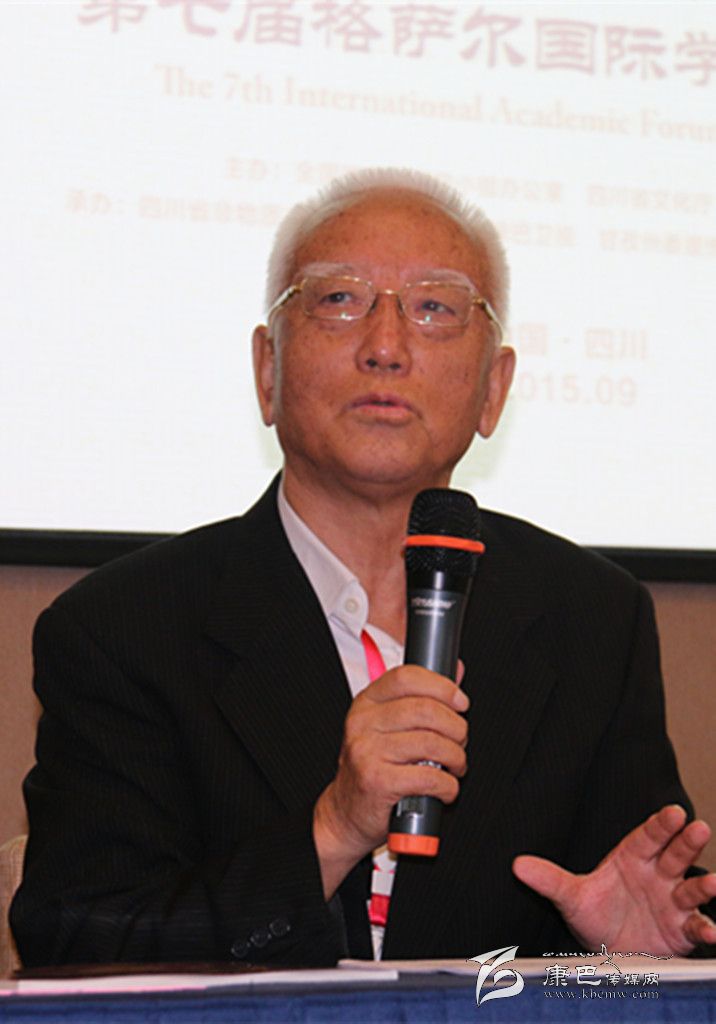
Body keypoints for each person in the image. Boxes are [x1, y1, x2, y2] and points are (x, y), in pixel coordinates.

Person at [11, 168, 716, 968]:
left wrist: (628, 958)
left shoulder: (591, 619)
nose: (385, 347)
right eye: (339, 300)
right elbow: (73, 944)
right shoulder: (123, 628)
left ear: (494, 389)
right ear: (267, 370)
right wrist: (333, 830)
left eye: (435, 308)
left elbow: (639, 937)